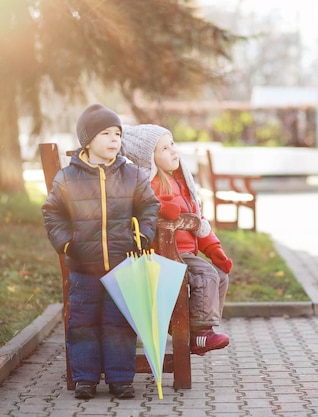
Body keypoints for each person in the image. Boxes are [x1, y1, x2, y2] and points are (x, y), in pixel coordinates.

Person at [42, 104, 160, 400]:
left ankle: (121, 379)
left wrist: (143, 235)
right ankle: (85, 379)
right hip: (84, 266)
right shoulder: (68, 178)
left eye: (117, 133)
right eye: (105, 133)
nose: (114, 139)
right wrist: (68, 244)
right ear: (87, 140)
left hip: (123, 264)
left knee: (119, 322)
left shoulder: (131, 175)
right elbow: (52, 212)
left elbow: (150, 207)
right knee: (83, 323)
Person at [121, 124, 231, 355]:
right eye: (163, 148)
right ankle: (199, 333)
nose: (172, 151)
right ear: (149, 158)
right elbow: (143, 205)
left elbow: (197, 220)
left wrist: (213, 248)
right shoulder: (147, 183)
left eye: (172, 144)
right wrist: (162, 209)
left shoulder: (179, 181)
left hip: (185, 252)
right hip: (164, 254)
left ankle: (194, 330)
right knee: (206, 274)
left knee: (220, 276)